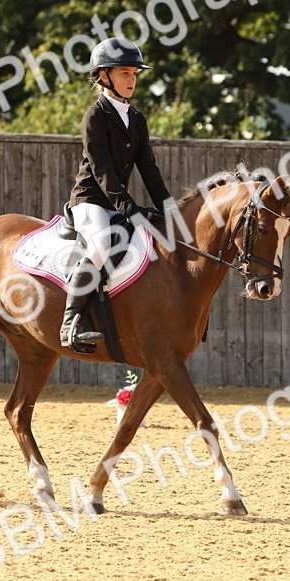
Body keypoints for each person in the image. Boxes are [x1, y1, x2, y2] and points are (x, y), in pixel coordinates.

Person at [60, 38, 172, 353]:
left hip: (116, 203)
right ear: (103, 76)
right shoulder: (95, 116)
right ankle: (70, 324)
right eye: (124, 73)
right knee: (102, 245)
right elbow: (103, 171)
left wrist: (170, 210)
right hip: (90, 201)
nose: (132, 79)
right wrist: (130, 209)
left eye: (134, 73)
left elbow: (149, 169)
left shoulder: (136, 119)